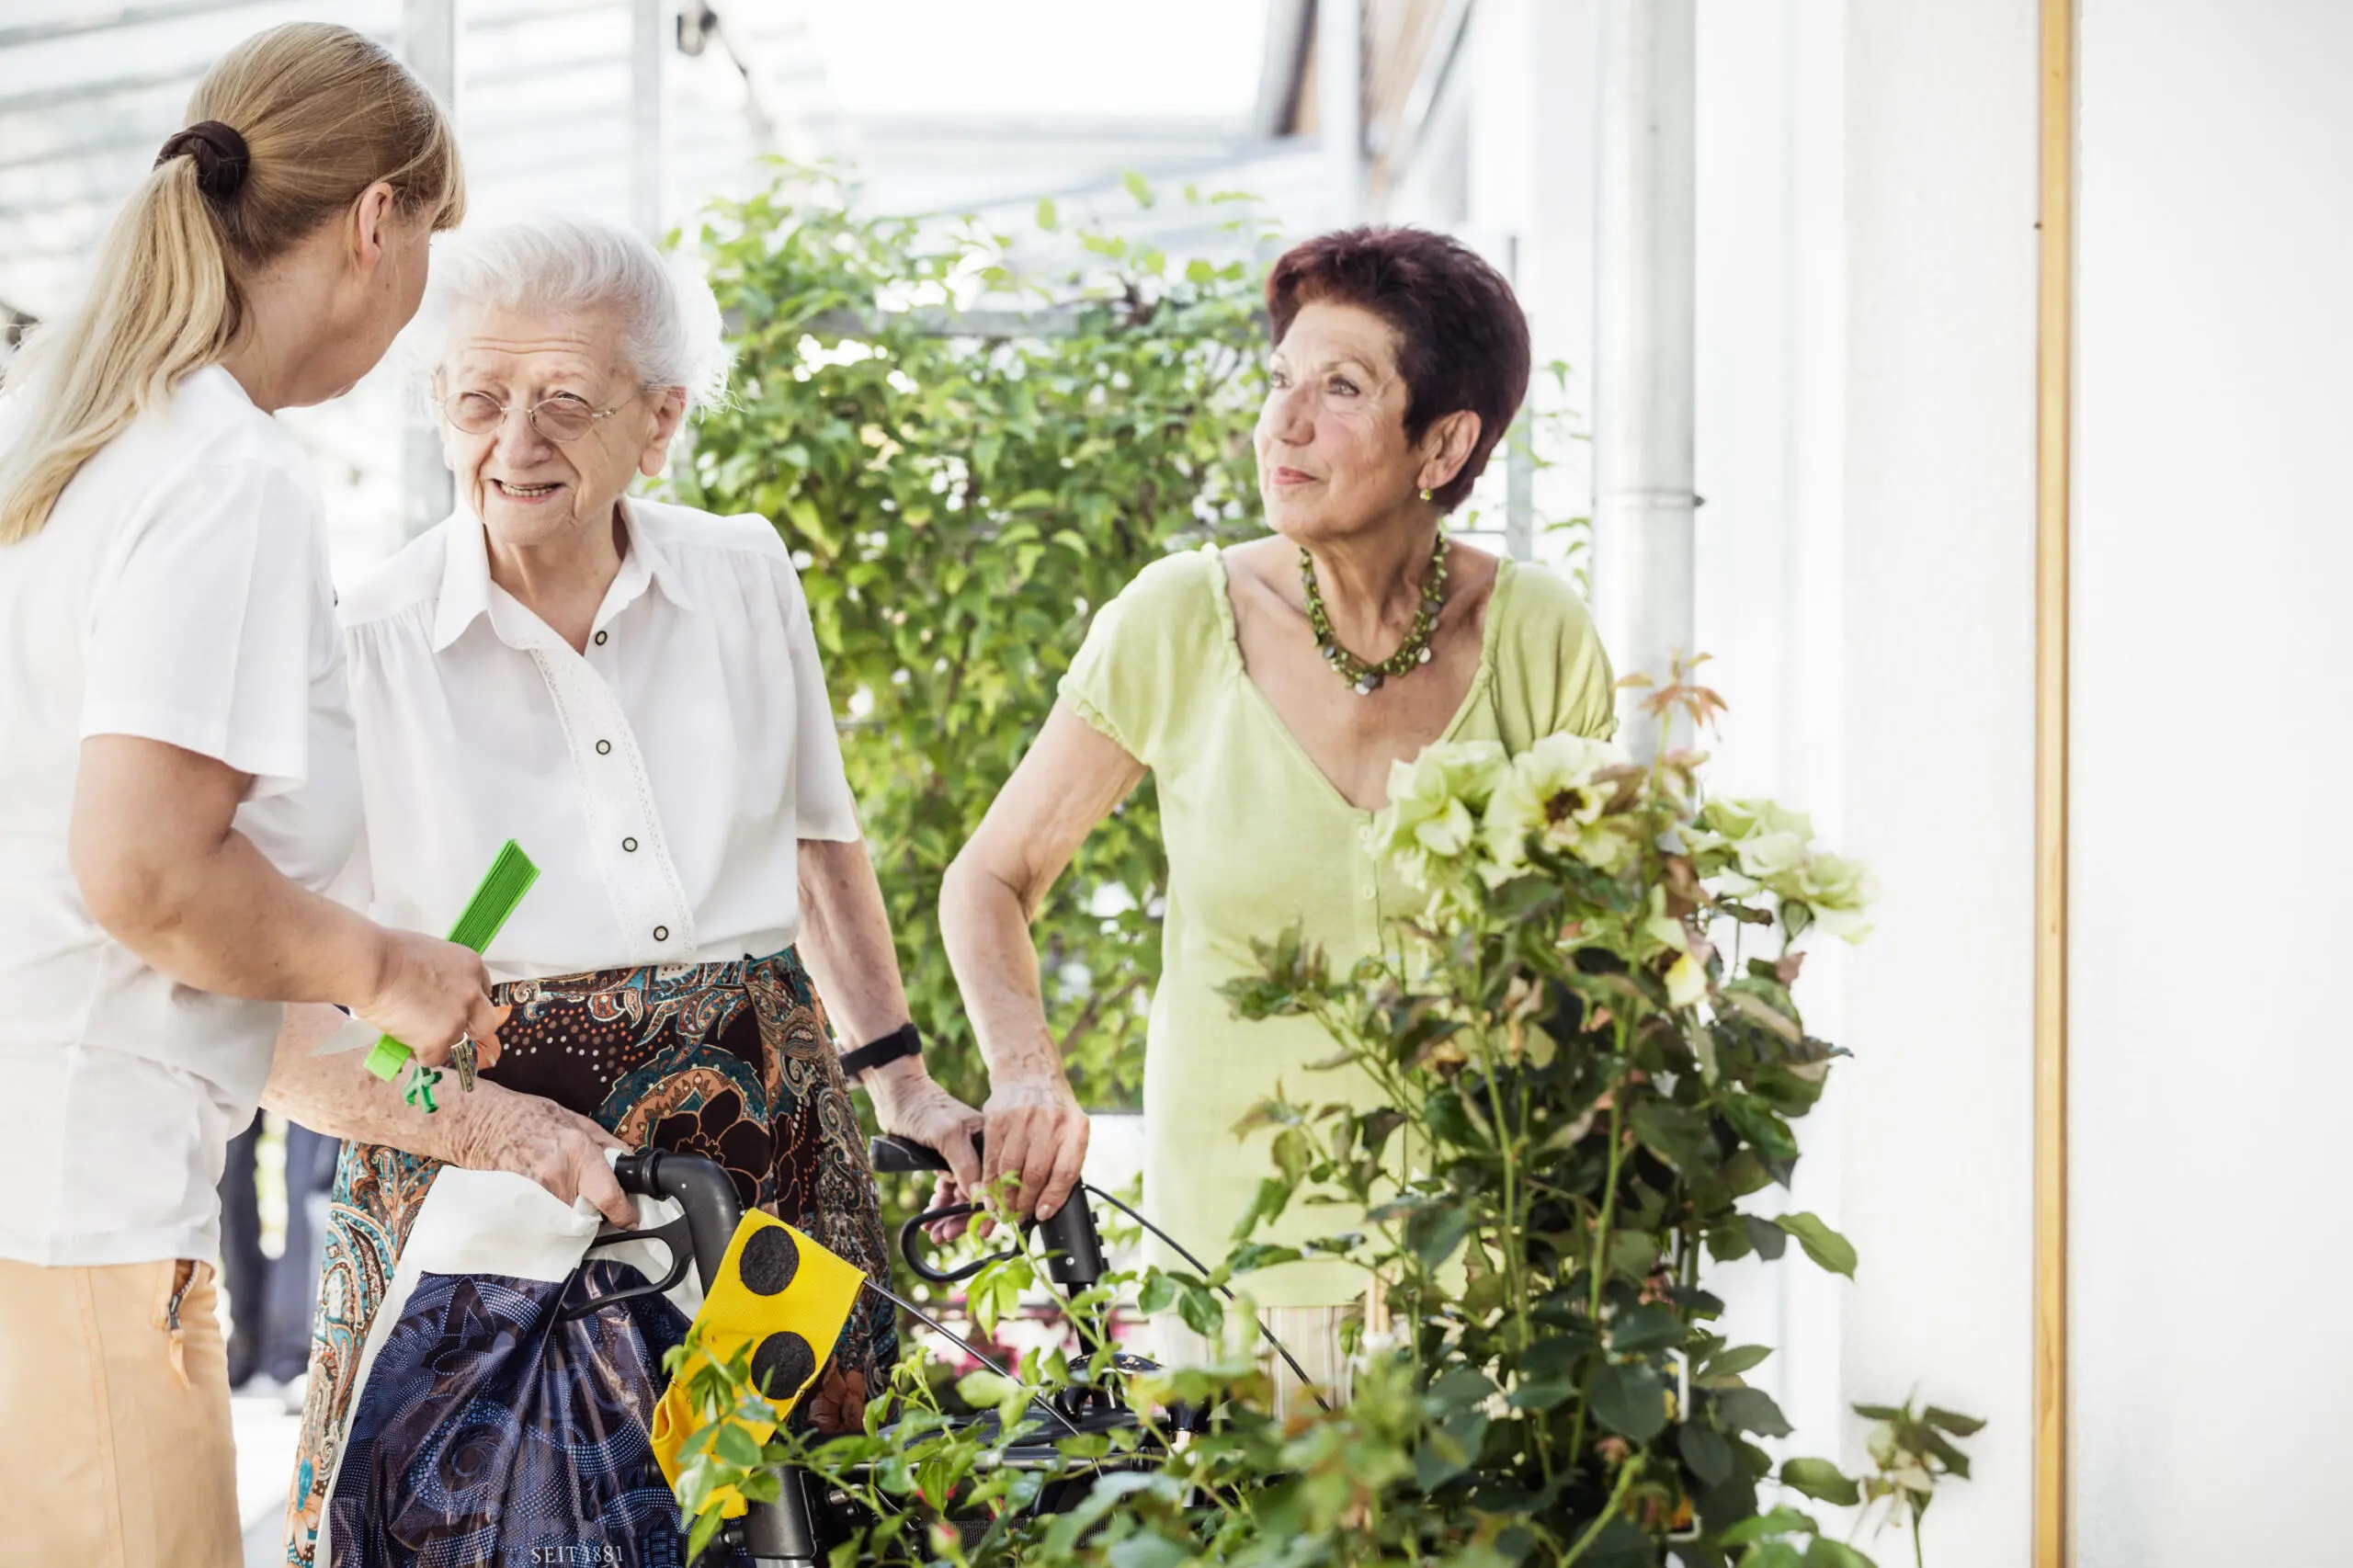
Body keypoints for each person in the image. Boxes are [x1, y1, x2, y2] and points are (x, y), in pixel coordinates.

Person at [261, 215, 986, 1563]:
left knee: (793, 1523)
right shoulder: (358, 647)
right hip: (496, 1207)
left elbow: (819, 843)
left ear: (660, 422)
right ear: (436, 409)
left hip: (767, 1183)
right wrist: (501, 1131)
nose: (516, 443)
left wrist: (898, 1073)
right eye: (480, 399)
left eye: (565, 403)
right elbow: (289, 1050)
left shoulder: (744, 573)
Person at [938, 226, 1618, 1394]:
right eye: (1279, 382)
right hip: (1246, 1259)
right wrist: (1027, 1070)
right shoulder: (1180, 618)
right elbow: (989, 878)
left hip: (1496, 1256)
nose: (1283, 425)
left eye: (1340, 388)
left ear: (1444, 442)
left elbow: (1605, 932)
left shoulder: (1539, 635)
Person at [0, 24, 490, 1568]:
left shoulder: (95, 440)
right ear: (376, 225)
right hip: (80, 1223)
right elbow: (144, 873)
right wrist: (389, 965)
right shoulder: (231, 473)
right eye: (433, 250)